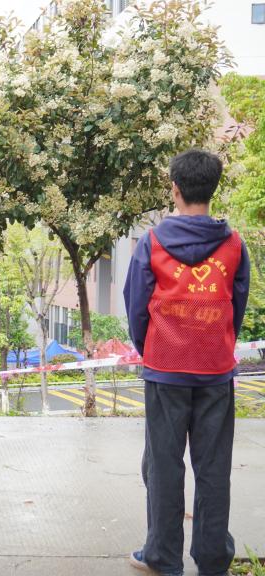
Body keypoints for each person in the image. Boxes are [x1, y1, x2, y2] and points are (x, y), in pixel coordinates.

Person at [124, 149, 250, 576]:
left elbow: (137, 307)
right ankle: (213, 560)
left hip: (166, 371)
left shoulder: (152, 242)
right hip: (215, 372)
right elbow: (236, 305)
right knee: (213, 467)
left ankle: (162, 556)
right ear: (212, 189)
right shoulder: (234, 245)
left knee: (163, 465)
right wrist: (218, 341)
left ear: (174, 189)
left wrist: (152, 350)